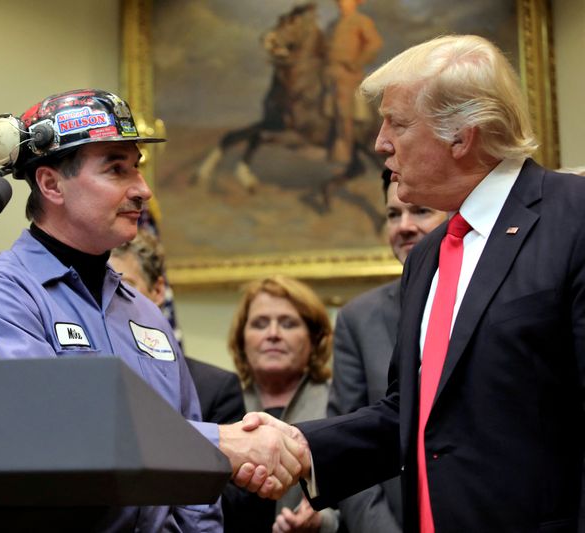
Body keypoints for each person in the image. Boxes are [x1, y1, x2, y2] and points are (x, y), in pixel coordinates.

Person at [242, 34, 585, 532]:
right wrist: (298, 446)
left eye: (397, 123)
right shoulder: (429, 254)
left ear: (461, 136)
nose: (380, 142)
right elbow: (411, 412)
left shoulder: (574, 217)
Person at [0, 89, 309, 531]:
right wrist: (221, 442)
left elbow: (193, 491)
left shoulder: (146, 315)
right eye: (116, 169)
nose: (143, 190)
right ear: (51, 184)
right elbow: (46, 437)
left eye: (137, 168)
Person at [327, 168, 447, 533]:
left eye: (421, 211)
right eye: (393, 214)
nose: (404, 226)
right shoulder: (358, 320)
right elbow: (348, 452)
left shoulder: (489, 299)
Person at [229, 275, 339, 533]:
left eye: (288, 324)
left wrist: (322, 521)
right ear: (242, 339)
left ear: (314, 339)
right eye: (260, 324)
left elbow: (362, 498)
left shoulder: (339, 401)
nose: (273, 334)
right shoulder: (222, 402)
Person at [110, 229, 246, 425]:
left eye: (123, 286)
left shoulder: (215, 389)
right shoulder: (81, 375)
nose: (107, 299)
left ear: (157, 291)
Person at [326, 0, 382, 167]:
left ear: (356, 3)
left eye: (347, 0)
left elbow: (375, 43)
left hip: (348, 73)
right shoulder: (333, 24)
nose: (343, 3)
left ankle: (344, 147)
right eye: (341, 1)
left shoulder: (361, 21)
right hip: (328, 70)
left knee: (343, 103)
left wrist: (357, 62)